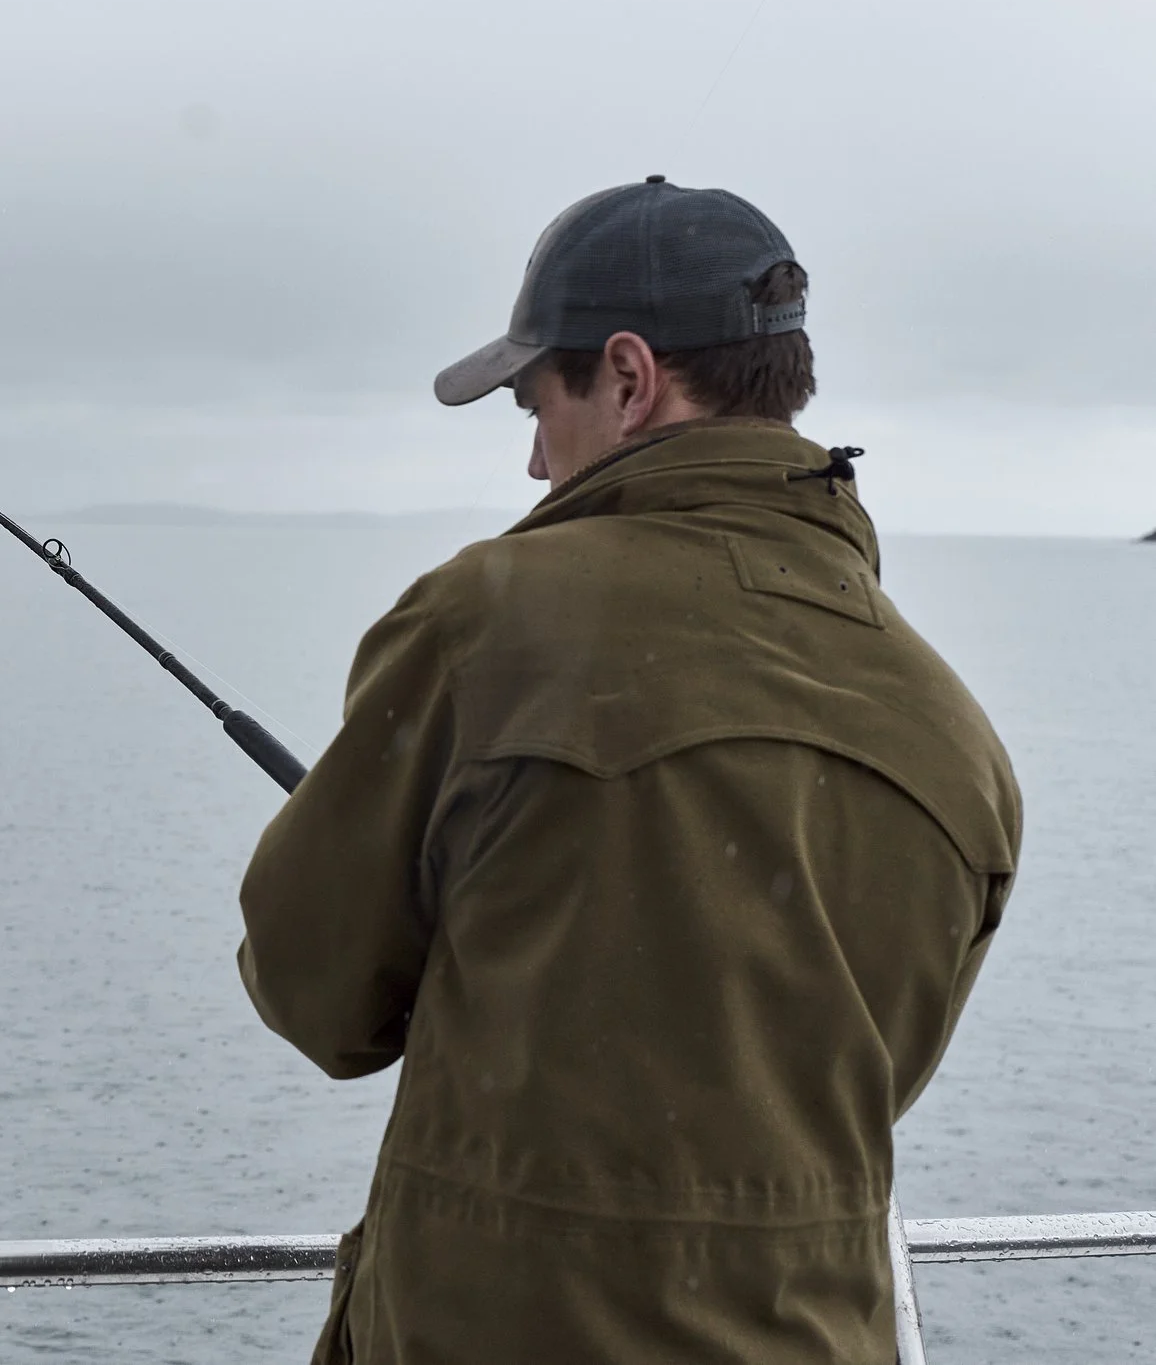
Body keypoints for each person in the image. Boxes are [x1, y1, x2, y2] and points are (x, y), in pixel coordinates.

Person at [237, 177, 1020, 1364]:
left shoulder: (487, 621)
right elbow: (842, 1078)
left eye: (531, 403)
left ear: (626, 374)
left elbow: (319, 998)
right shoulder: (953, 730)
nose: (535, 462)